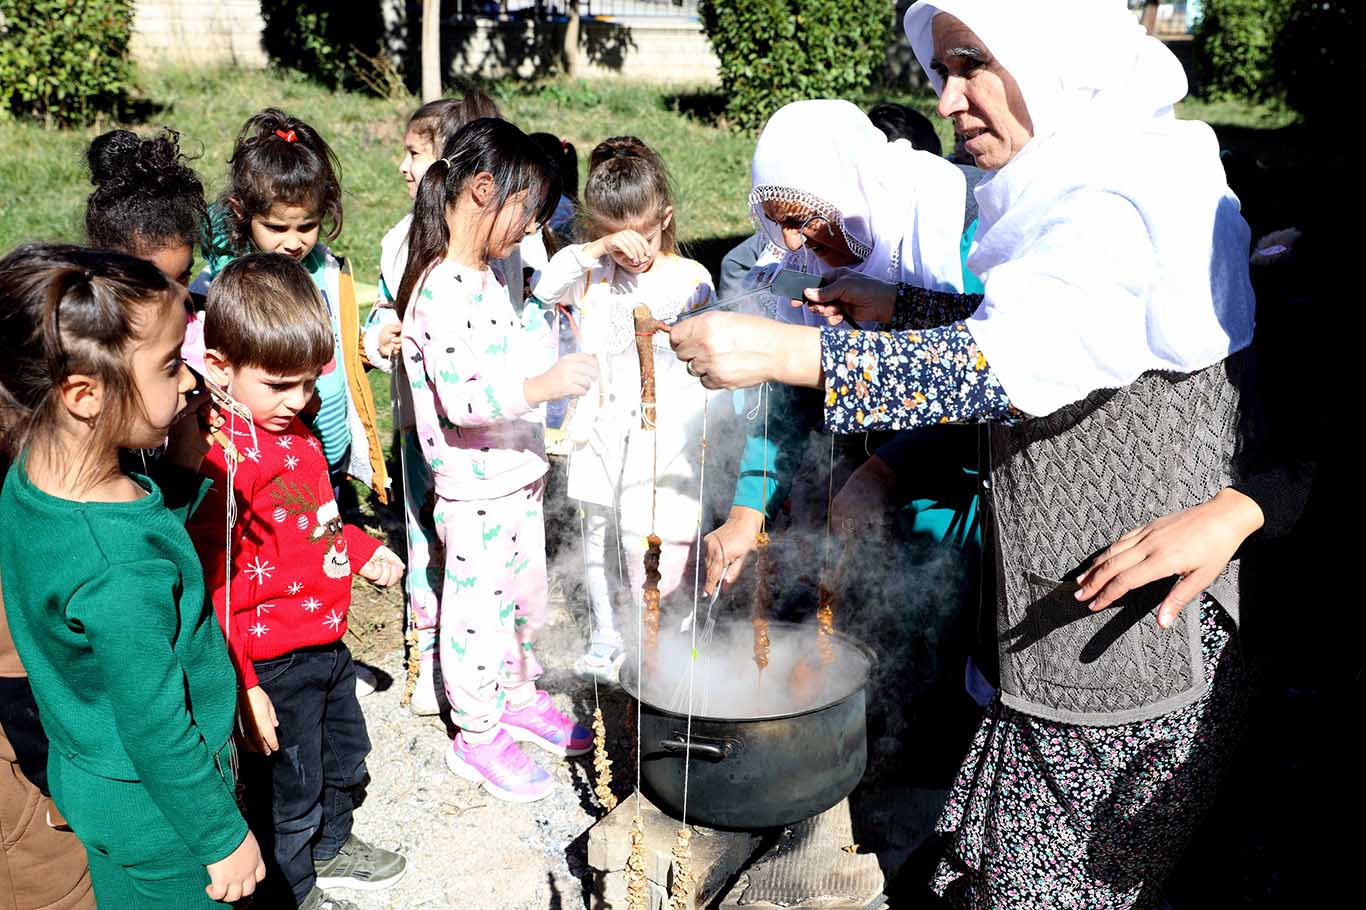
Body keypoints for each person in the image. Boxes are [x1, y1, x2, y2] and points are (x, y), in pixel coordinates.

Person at [668, 0, 1259, 904]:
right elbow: (1052, 332)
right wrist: (898, 311)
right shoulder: (1066, 187)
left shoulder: (1122, 195)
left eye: (972, 62)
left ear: (1054, 55)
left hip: (1128, 656)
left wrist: (788, 353)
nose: (948, 101)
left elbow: (1012, 365)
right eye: (941, 71)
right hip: (1052, 632)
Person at [0, 243, 264, 908]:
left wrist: (174, 473)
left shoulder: (30, 482)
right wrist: (220, 837)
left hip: (91, 775)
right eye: (172, 366)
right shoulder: (118, 567)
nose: (187, 383)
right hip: (165, 814)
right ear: (84, 394)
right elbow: (156, 725)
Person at [186, 254, 407, 910]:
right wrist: (246, 686)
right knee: (292, 783)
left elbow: (316, 518)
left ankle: (333, 845)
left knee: (345, 754)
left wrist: (361, 548)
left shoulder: (296, 430)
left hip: (324, 639)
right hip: (272, 660)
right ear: (221, 369)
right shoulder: (223, 461)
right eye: (280, 385)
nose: (299, 401)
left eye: (309, 384)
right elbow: (211, 587)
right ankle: (294, 887)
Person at [397, 118, 598, 801]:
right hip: (475, 488)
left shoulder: (489, 272)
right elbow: (465, 399)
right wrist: (544, 387)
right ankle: (477, 733)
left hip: (518, 478)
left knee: (524, 600)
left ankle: (515, 690)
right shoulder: (440, 289)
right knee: (477, 614)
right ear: (482, 189)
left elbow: (539, 300)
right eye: (526, 213)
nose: (529, 230)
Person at [704, 99, 968, 597]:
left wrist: (887, 471)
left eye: (802, 219)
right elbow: (790, 397)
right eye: (775, 222)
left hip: (947, 506)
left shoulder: (943, 226)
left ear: (848, 191)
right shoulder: (801, 264)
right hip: (849, 499)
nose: (789, 239)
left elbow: (986, 377)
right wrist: (746, 512)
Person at [533, 136, 715, 680]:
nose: (635, 248)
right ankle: (605, 630)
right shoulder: (591, 275)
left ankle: (655, 628)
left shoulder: (689, 279)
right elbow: (544, 290)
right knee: (594, 527)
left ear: (666, 219)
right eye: (618, 235)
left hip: (661, 432)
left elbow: (701, 354)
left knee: (647, 531)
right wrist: (595, 252)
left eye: (645, 233)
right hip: (600, 423)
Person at [361, 89, 513, 716]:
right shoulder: (400, 241)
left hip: (479, 430)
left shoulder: (496, 243)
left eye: (415, 154)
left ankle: (479, 657)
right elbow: (382, 306)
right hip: (417, 422)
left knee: (475, 551)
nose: (402, 166)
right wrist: (379, 332)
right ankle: (427, 656)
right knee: (424, 537)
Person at [197, 108, 388, 504]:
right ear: (242, 214)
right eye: (276, 227)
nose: (294, 241)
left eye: (306, 226)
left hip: (330, 444)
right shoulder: (232, 285)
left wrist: (369, 345)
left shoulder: (327, 271)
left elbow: (336, 341)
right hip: (267, 453)